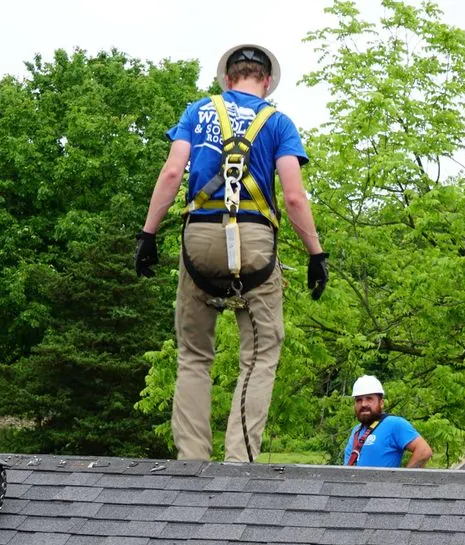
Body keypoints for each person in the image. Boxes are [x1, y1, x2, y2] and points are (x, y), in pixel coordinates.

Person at [134, 43, 329, 463]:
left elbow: (172, 172)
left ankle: (192, 459)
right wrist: (316, 254)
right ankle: (240, 461)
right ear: (266, 82)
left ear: (227, 79)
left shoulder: (198, 112)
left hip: (199, 240)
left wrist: (148, 234)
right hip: (255, 245)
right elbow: (294, 197)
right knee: (260, 355)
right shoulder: (278, 123)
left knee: (193, 354)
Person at [343, 376, 433, 469]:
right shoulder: (356, 431)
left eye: (369, 399)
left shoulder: (394, 424)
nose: (363, 404)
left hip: (384, 483)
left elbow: (424, 451)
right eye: (359, 400)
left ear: (381, 403)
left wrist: (402, 479)